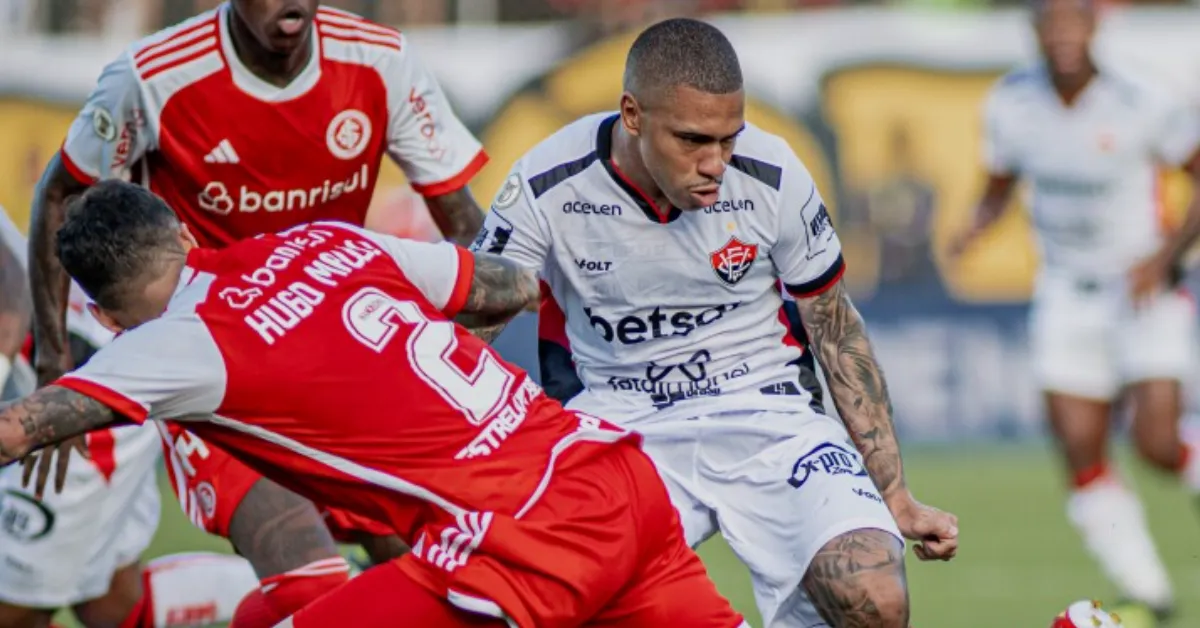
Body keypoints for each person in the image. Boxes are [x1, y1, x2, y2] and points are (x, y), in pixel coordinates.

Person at [0, 179, 747, 628]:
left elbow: (19, 430)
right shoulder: (324, 241)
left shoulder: (167, 346)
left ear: (104, 317)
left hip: (514, 540)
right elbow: (511, 286)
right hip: (609, 475)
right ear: (185, 234)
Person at [472, 17, 957, 628]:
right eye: (693, 140)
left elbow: (835, 329)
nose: (715, 163)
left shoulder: (771, 173)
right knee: (527, 599)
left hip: (768, 410)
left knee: (875, 600)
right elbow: (467, 336)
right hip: (620, 425)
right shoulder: (545, 184)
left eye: (728, 139)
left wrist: (894, 494)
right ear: (631, 114)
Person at [21, 0, 488, 623]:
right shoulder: (154, 75)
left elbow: (470, 230)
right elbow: (59, 192)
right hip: (212, 369)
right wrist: (53, 362)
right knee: (309, 586)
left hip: (345, 360)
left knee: (449, 571)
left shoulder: (381, 61)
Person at [949, 0, 1200, 620]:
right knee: (1080, 446)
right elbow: (1000, 185)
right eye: (1050, 23)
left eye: (1073, 22)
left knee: (1158, 444)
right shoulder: (1012, 102)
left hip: (1143, 289)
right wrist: (974, 227)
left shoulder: (1142, 100)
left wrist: (1163, 257)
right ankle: (1145, 591)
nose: (1062, 35)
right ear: (1034, 30)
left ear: (1094, 28)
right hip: (1064, 293)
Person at [0, 206, 355, 628]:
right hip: (85, 367)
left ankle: (327, 584)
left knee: (13, 610)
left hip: (79, 393)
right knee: (110, 604)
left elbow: (12, 281)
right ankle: (329, 581)